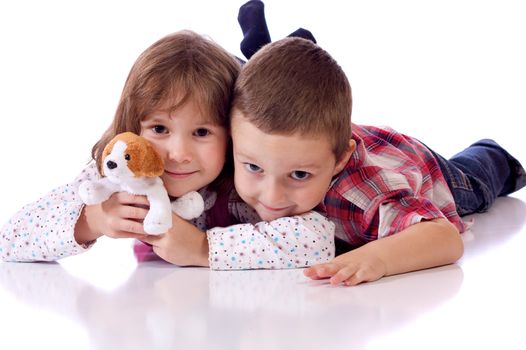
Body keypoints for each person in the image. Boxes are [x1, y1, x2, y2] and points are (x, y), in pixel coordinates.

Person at [1, 30, 335, 269]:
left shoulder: (249, 178)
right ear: (134, 126)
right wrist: (91, 220)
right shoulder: (121, 169)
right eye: (160, 129)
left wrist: (204, 249)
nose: (177, 153)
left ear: (232, 137)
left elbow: (317, 240)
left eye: (201, 132)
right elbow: (10, 239)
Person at [214, 36, 526, 285]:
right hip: (355, 140)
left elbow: (444, 237)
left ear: (339, 162)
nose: (272, 196)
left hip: (429, 171)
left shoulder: (362, 197)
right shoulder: (252, 142)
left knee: (478, 179)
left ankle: (496, 155)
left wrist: (377, 258)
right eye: (254, 168)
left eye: (298, 175)